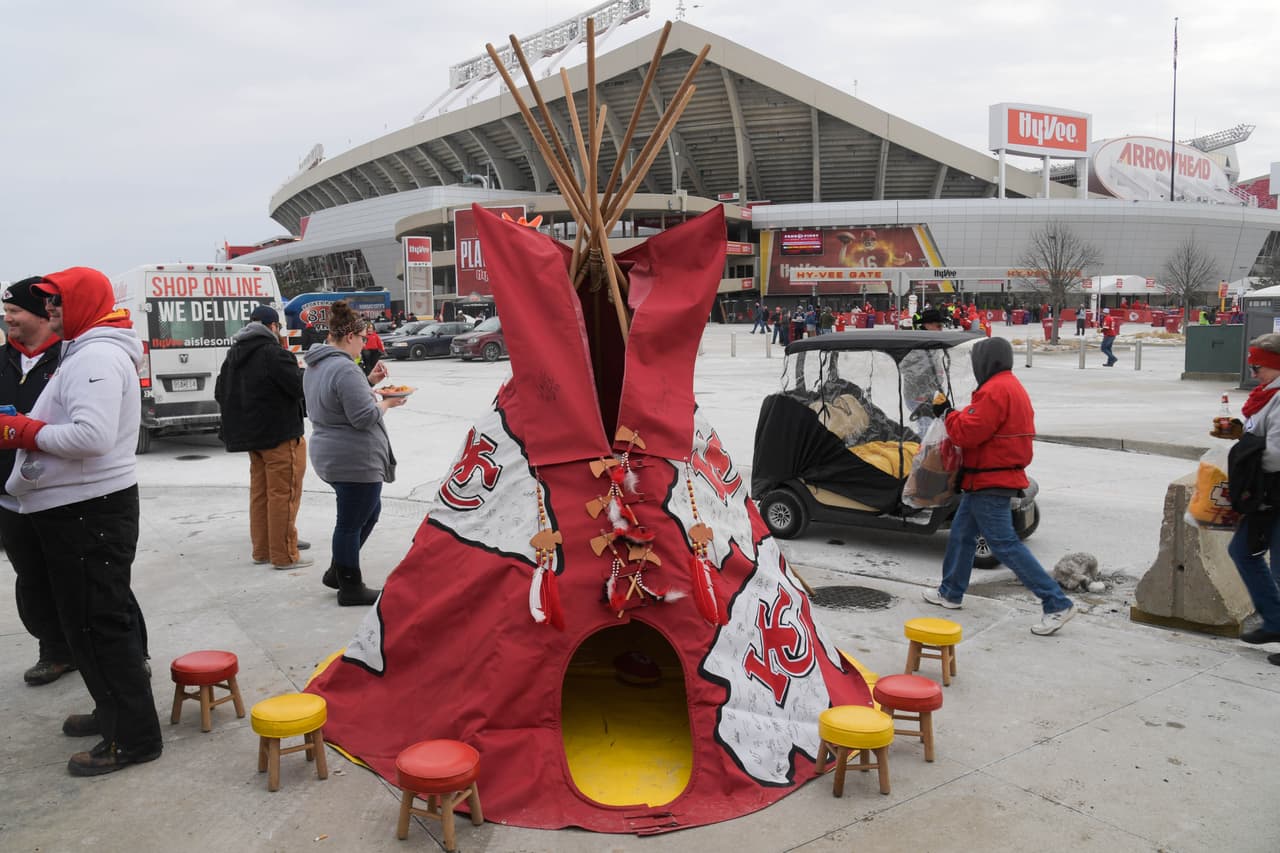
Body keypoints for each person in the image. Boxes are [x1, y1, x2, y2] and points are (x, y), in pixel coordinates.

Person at [1, 267, 163, 774]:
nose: (49, 313)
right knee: (88, 626)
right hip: (79, 510)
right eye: (45, 305)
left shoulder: (94, 355)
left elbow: (92, 437)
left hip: (88, 513)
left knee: (99, 628)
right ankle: (113, 712)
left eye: (56, 304)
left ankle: (133, 739)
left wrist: (20, 431)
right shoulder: (85, 349)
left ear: (82, 304)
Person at [922, 337, 1075, 636]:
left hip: (991, 479)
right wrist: (957, 414)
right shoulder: (1009, 385)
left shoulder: (995, 390)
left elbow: (968, 433)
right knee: (963, 534)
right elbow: (982, 423)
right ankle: (950, 592)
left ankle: (1056, 602)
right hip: (988, 477)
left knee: (1005, 545)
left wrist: (946, 413)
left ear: (987, 361)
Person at [303, 300, 405, 606]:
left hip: (332, 453)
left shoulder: (317, 364)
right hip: (353, 458)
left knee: (367, 512)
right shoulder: (344, 369)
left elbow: (338, 400)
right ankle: (349, 584)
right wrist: (388, 402)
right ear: (349, 337)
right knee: (349, 522)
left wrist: (370, 382)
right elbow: (362, 417)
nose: (365, 343)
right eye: (363, 338)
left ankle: (339, 570)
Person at [0, 278, 74, 685]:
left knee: (86, 578)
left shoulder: (69, 358)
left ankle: (125, 654)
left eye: (14, 311)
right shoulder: (2, 360)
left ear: (42, 314)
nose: (7, 317)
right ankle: (54, 650)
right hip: (11, 497)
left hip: (63, 494)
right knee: (32, 580)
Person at [215, 304, 311, 571]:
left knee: (261, 495)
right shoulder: (273, 353)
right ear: (272, 327)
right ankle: (284, 554)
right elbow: (298, 387)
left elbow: (219, 392)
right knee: (284, 494)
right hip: (280, 436)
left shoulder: (233, 355)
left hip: (252, 440)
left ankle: (264, 549)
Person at [1228, 335, 1280, 662]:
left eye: (1257, 364)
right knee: (1242, 550)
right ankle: (1275, 620)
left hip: (1273, 490)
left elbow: (1275, 455)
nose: (1253, 370)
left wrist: (1244, 457)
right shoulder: (1266, 396)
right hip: (1267, 494)